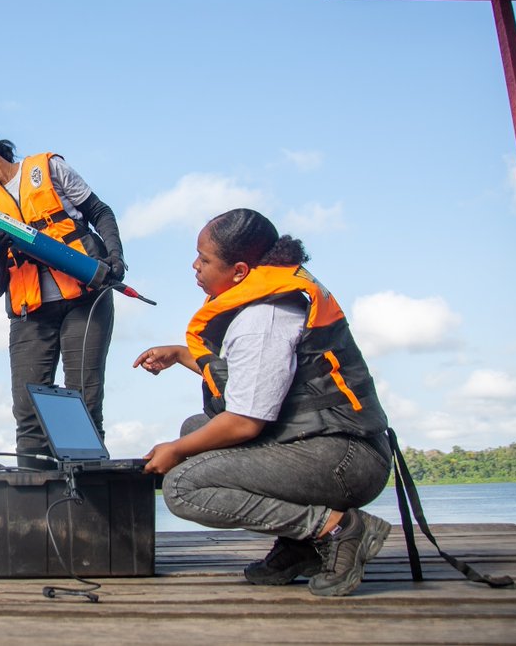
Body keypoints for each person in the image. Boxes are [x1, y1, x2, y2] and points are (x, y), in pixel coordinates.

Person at [133, 208, 392, 597]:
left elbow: (245, 423)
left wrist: (175, 451)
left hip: (346, 460)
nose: (195, 266)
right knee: (194, 429)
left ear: (239, 271)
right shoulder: (268, 303)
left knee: (182, 485)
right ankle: (299, 545)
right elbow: (259, 384)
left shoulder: (263, 318)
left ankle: (336, 529)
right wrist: (181, 354)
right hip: (331, 442)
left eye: (204, 259)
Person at [0, 122, 126, 468]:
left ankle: (86, 502)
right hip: (30, 313)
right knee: (28, 411)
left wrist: (115, 256)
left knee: (84, 400)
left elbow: (99, 211)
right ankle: (34, 505)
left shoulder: (48, 168)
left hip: (86, 299)